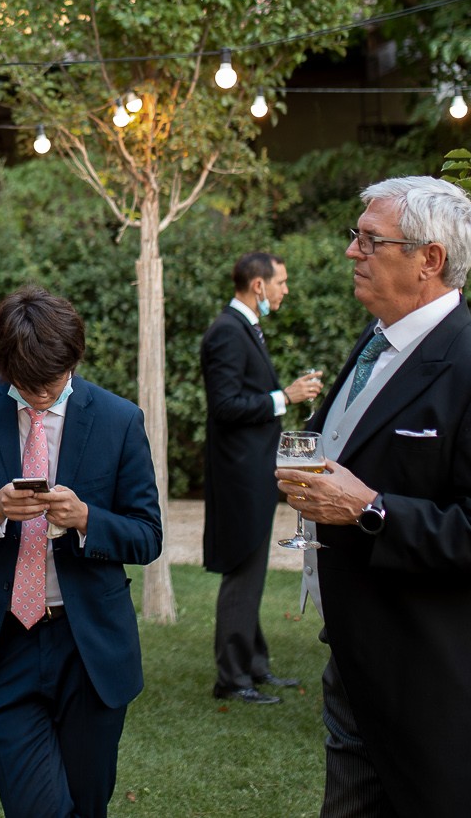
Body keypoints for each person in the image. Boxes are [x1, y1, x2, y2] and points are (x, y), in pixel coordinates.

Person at [276, 177, 471, 818]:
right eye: (355, 236)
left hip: (435, 680)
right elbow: (342, 446)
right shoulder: (374, 345)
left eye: (371, 240)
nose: (352, 252)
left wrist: (370, 510)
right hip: (358, 661)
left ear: (430, 260)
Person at [0, 284, 164, 818]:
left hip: (89, 650)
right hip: (2, 643)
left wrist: (87, 519)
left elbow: (148, 535)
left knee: (86, 807)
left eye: (52, 381)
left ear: (74, 360)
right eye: (27, 383)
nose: (40, 395)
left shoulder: (118, 419)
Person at [201, 251, 322, 704]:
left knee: (251, 571)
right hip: (238, 476)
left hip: (250, 472)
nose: (285, 290)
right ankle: (232, 679)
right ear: (258, 285)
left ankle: (254, 665)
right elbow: (226, 406)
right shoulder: (227, 333)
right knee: (242, 572)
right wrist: (284, 396)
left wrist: (282, 395)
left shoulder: (243, 329)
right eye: (281, 282)